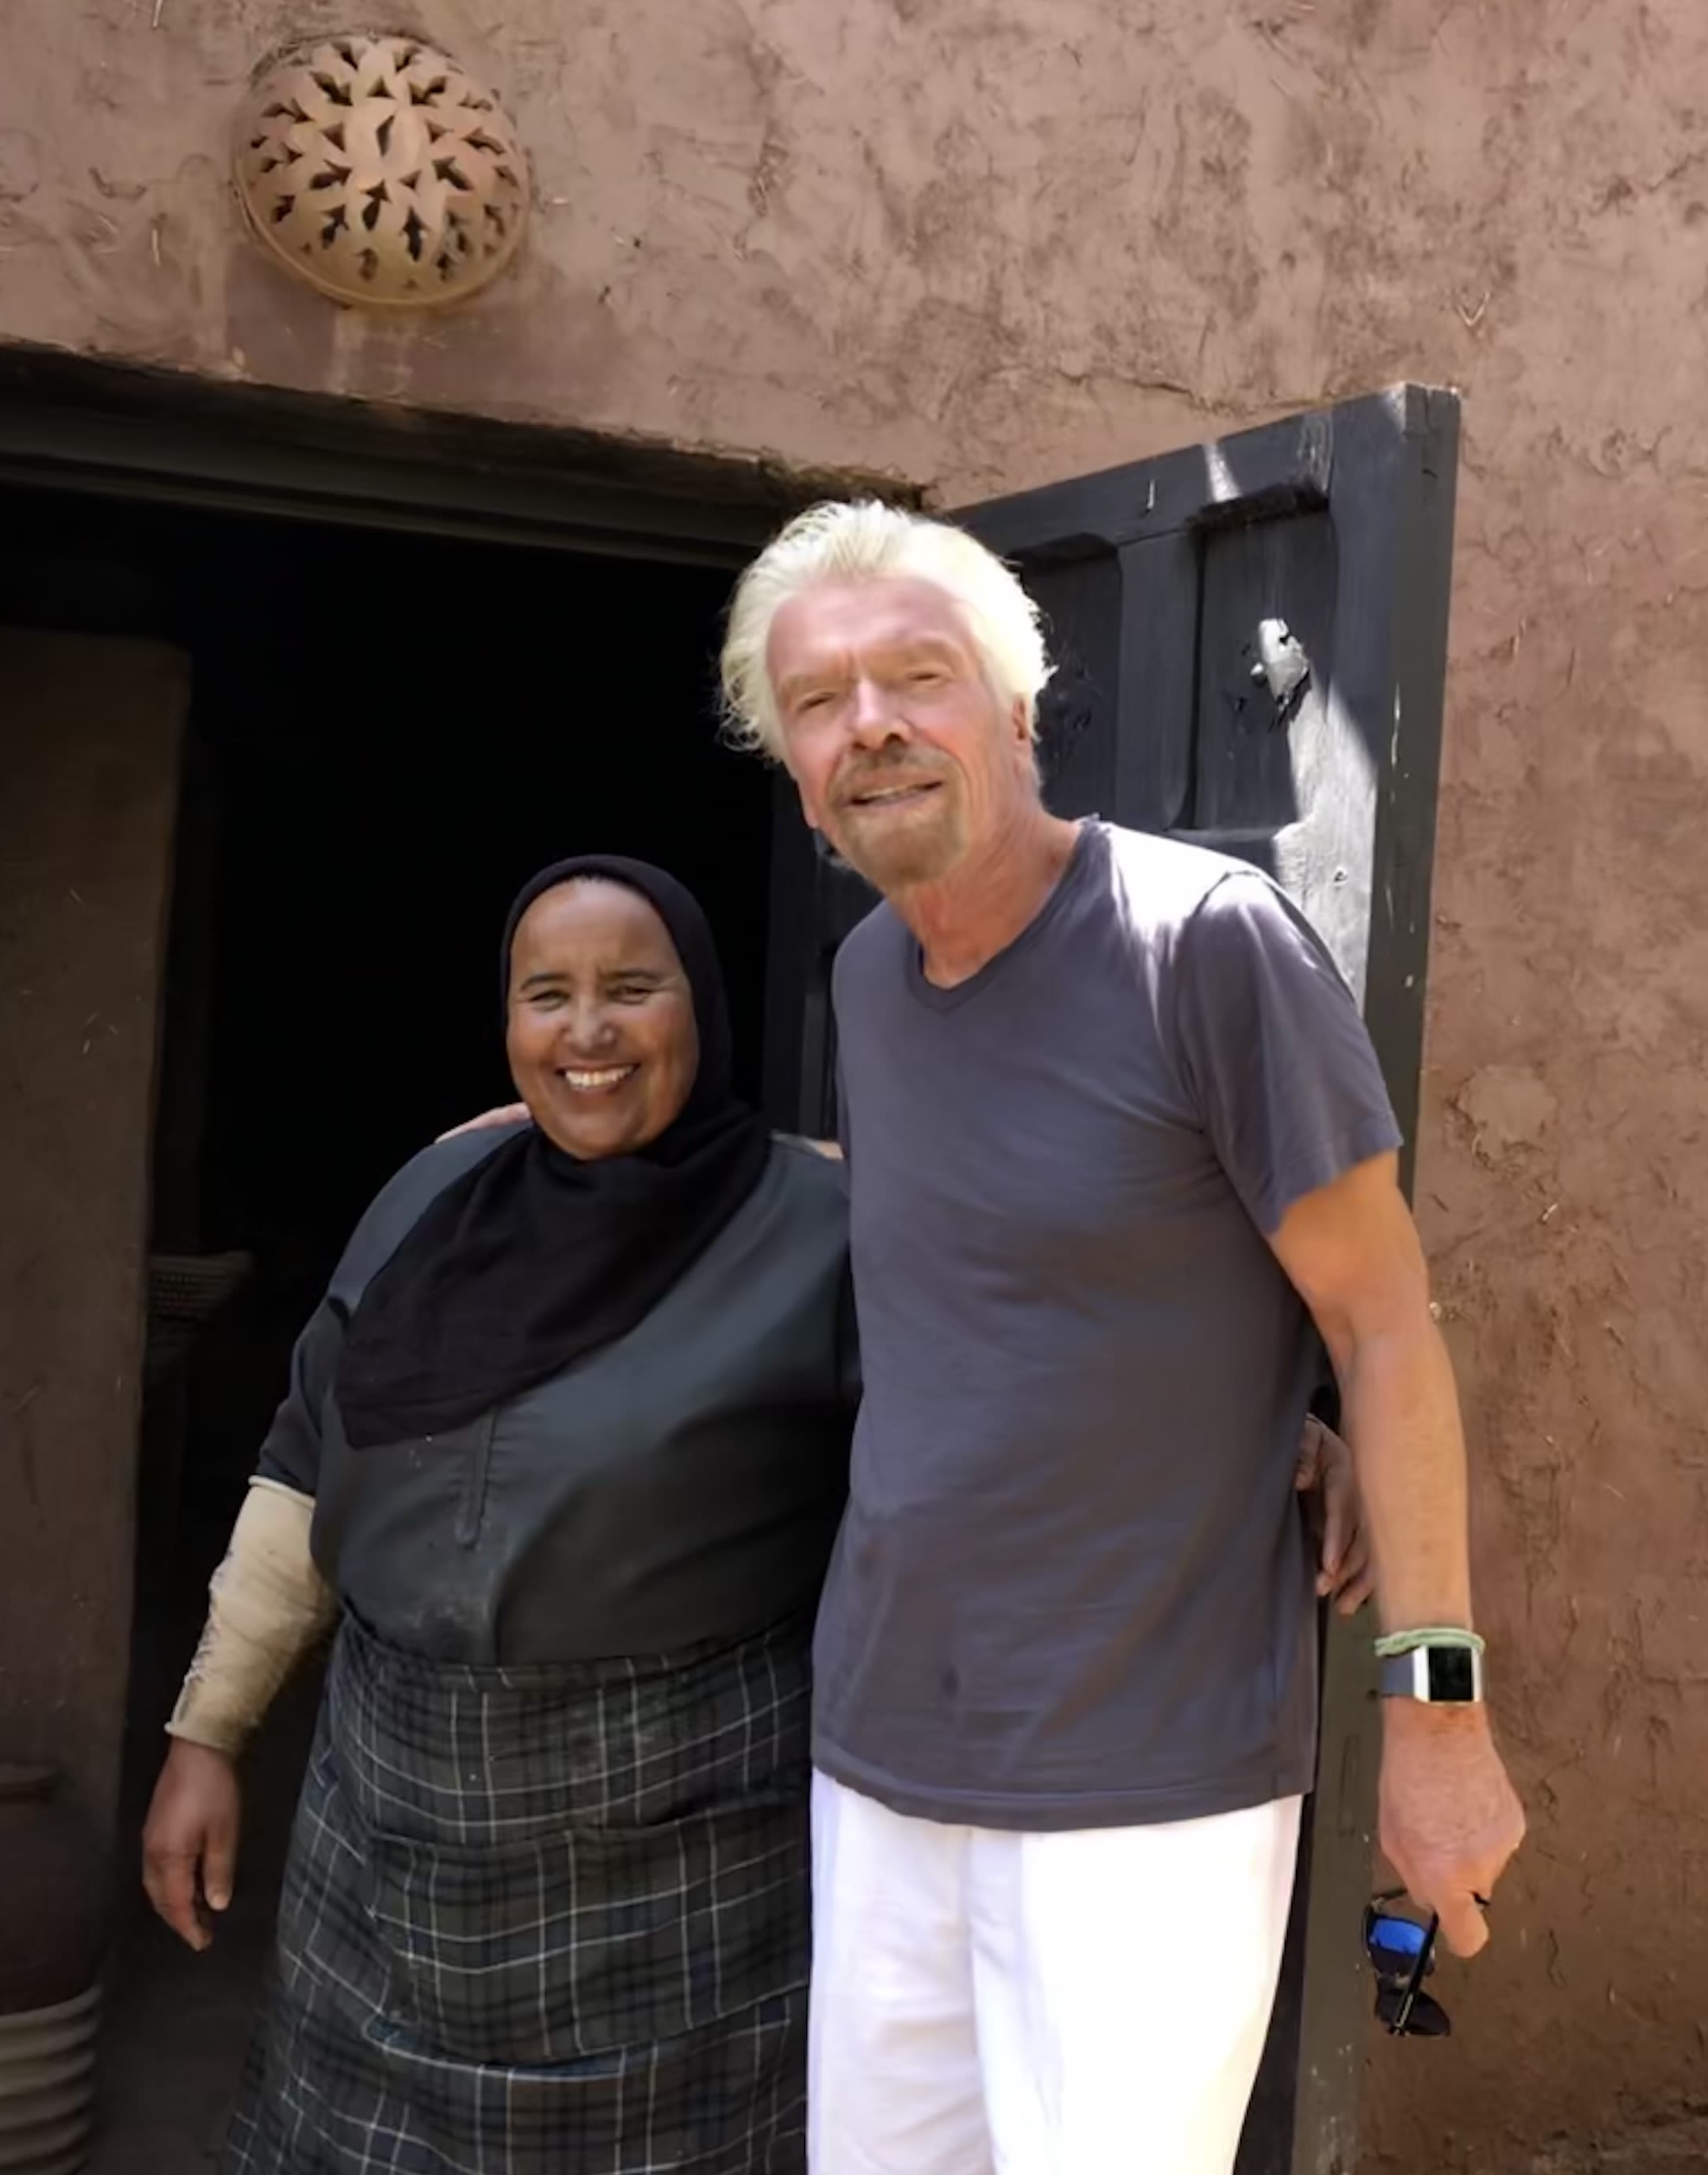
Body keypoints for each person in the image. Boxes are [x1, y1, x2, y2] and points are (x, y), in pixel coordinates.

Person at [716, 502, 1529, 2173]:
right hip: (884, 1751)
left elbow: (1381, 1323)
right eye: (817, 701)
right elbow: (1012, 1272)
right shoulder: (870, 977)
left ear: (1016, 711)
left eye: (914, 677)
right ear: (789, 759)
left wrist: (1437, 1725)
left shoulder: (1199, 942)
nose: (868, 725)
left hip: (1144, 1780)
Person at [139, 857, 855, 2175]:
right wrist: (208, 1734)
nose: (586, 1033)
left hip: (680, 1870)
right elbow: (305, 1467)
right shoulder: (429, 1200)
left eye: (631, 990)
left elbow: (1005, 1408)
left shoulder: (824, 1230)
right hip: (389, 1837)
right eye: (548, 995)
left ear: (699, 1003)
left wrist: (1277, 1433)